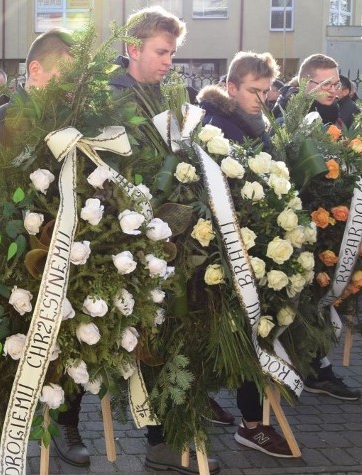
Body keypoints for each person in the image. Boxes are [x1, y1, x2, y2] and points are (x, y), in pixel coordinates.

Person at [0, 27, 98, 470]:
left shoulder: (77, 133)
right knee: (2, 372)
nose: (73, 90)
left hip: (69, 271)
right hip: (4, 278)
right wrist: (25, 230)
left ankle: (66, 426)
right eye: (66, 77)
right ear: (35, 70)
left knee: (70, 356)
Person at [109, 7, 222, 474]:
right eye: (161, 51)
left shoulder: (170, 96)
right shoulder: (110, 98)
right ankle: (159, 439)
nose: (168, 61)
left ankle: (174, 430)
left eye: (172, 53)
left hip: (179, 238)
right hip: (129, 238)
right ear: (133, 48)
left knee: (175, 337)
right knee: (149, 337)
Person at [197, 51, 294, 459]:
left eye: (267, 90)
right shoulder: (214, 126)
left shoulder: (258, 124)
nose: (262, 98)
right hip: (223, 248)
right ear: (231, 87)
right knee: (230, 333)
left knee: (250, 331)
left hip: (255, 245)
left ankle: (250, 421)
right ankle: (245, 421)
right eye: (254, 90)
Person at [293, 54, 362, 402]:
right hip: (306, 226)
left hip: (335, 224)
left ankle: (317, 366)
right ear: (306, 84)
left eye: (337, 82)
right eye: (326, 84)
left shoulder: (342, 116)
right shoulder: (292, 119)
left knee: (325, 297)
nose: (334, 90)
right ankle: (313, 368)